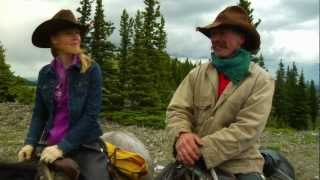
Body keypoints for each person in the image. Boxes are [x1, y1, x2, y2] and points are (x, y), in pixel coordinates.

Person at [166, 6, 275, 179]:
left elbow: (247, 129)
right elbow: (177, 110)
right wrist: (182, 134)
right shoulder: (197, 74)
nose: (215, 39)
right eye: (213, 34)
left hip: (241, 164)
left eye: (223, 33)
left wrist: (198, 149)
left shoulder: (261, 80)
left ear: (242, 38)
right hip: (192, 157)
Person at [17, 9, 110, 180]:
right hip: (49, 144)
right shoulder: (45, 73)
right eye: (69, 33)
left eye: (78, 33)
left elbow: (91, 115)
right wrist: (30, 143)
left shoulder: (91, 69)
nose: (77, 37)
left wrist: (62, 147)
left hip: (85, 145)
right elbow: (40, 113)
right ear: (54, 39)